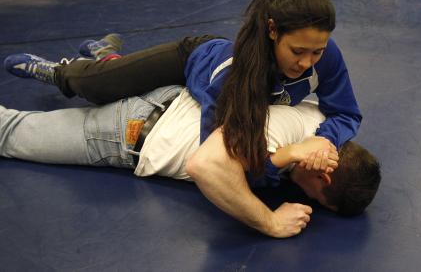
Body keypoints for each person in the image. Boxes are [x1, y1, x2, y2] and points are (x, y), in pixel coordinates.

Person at [5, 0, 362, 189]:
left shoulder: (324, 57)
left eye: (316, 51)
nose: (307, 63)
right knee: (94, 87)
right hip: (191, 59)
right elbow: (219, 159)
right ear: (272, 32)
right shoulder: (231, 76)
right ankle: (60, 71)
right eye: (297, 51)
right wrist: (277, 163)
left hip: (200, 81)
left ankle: (108, 57)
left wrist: (325, 139)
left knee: (119, 76)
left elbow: (346, 111)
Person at [0, 85, 381, 238]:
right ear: (325, 176)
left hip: (168, 101)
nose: (309, 199)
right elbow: (207, 165)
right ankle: (83, 70)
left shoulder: (321, 122)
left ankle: (101, 60)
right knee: (13, 133)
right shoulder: (285, 132)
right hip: (131, 132)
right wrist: (271, 222)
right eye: (317, 198)